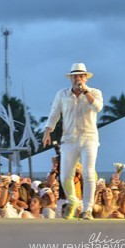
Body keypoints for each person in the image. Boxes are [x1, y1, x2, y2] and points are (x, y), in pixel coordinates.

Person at [43, 63, 103, 220]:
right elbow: (54, 113)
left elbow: (97, 108)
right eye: (75, 76)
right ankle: (72, 200)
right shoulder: (62, 94)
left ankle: (87, 209)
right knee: (65, 176)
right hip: (69, 139)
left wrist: (86, 92)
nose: (78, 78)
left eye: (81, 76)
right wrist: (47, 131)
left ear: (86, 78)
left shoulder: (95, 92)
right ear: (71, 78)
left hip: (89, 137)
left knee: (88, 172)